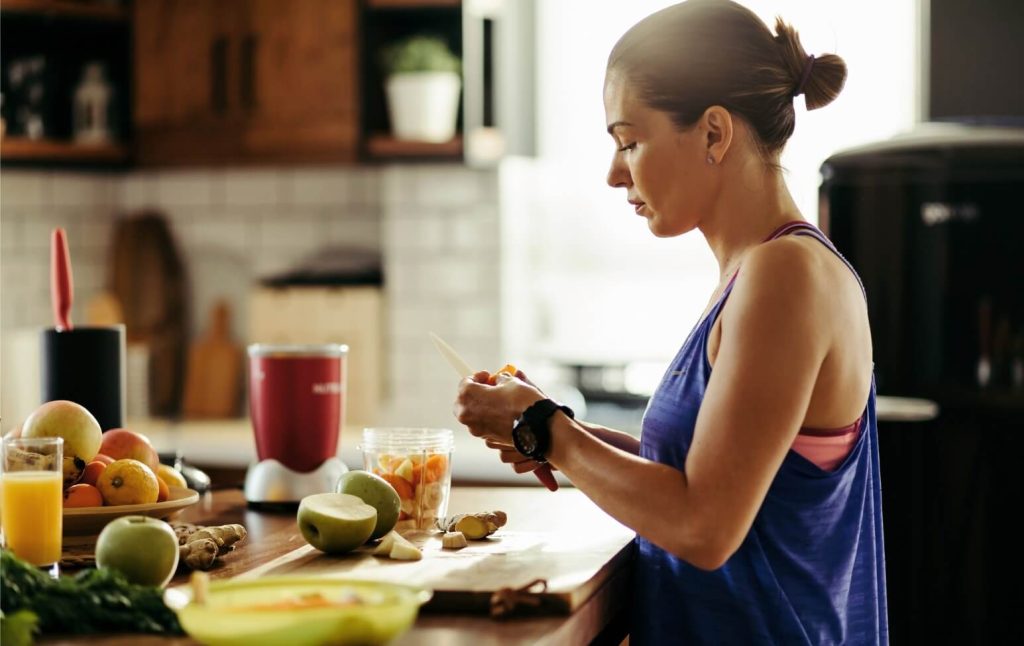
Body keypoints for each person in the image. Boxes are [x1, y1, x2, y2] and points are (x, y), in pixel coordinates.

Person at [452, 0, 888, 643]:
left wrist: (542, 431)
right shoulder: (757, 273)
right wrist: (563, 432)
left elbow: (704, 527)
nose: (613, 173)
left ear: (714, 133)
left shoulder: (784, 276)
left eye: (629, 141)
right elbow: (711, 473)